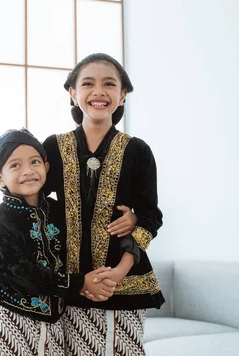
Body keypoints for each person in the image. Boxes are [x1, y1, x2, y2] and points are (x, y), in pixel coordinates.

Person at [42, 53, 165, 355]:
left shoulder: (138, 150)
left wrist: (119, 272)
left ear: (123, 95)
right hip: (69, 282)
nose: (99, 92)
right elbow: (34, 206)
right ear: (73, 93)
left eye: (109, 84)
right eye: (88, 84)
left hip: (122, 284)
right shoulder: (52, 147)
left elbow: (151, 216)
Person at [0, 128, 118, 356]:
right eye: (15, 165)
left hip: (56, 320)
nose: (27, 171)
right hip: (15, 317)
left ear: (45, 167)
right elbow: (19, 272)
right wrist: (78, 283)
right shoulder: (1, 216)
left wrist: (133, 217)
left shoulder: (57, 210)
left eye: (34, 161)